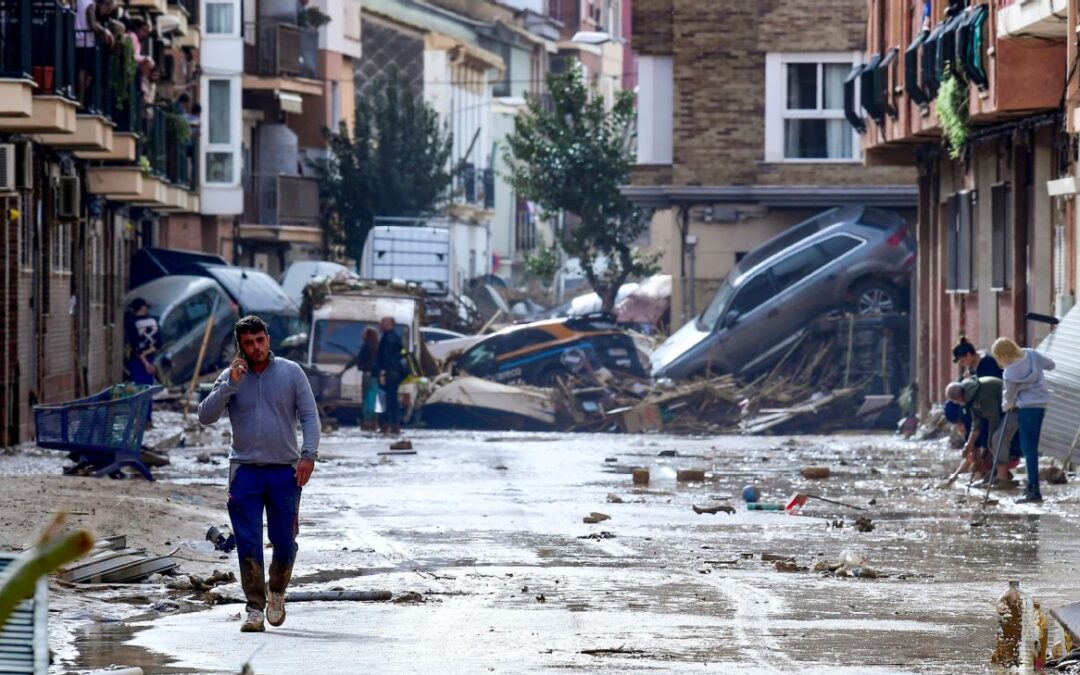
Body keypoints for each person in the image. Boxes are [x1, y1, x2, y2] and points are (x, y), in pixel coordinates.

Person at [197, 316, 320, 633]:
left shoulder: (291, 373)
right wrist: (229, 385)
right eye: (248, 344)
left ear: (268, 339)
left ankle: (276, 590)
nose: (255, 348)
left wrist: (309, 455)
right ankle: (254, 608)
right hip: (245, 472)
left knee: (283, 539)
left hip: (285, 471)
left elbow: (309, 416)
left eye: (260, 341)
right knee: (248, 542)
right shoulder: (231, 377)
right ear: (240, 346)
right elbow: (205, 416)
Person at [993, 337, 1056, 504]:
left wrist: (1006, 406)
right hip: (1041, 404)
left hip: (1025, 408)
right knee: (1032, 447)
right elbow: (1051, 365)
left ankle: (1033, 490)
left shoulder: (1009, 373)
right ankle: (1031, 487)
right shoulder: (1032, 354)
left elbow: (1008, 399)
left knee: (1029, 449)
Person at [945, 377, 1018, 489]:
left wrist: (990, 440)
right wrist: (968, 444)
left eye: (956, 401)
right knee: (993, 441)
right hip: (1002, 411)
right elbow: (976, 423)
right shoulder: (970, 398)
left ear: (959, 396)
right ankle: (999, 475)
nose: (957, 403)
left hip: (1014, 407)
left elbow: (994, 418)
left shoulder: (982, 393)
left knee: (996, 439)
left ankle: (1002, 479)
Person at [124, 297, 159, 425]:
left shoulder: (132, 323)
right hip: (150, 358)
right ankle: (148, 420)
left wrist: (144, 362)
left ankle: (139, 420)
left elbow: (135, 346)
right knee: (148, 391)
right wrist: (149, 361)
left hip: (138, 362)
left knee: (138, 391)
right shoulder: (154, 321)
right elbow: (158, 344)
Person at [344, 327, 380, 431]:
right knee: (372, 397)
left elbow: (358, 358)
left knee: (367, 397)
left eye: (364, 333)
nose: (362, 335)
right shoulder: (376, 346)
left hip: (367, 374)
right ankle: (373, 420)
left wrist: (347, 367)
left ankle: (367, 420)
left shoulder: (366, 346)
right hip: (374, 375)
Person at [375, 316, 405, 435]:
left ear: (390, 324)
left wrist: (382, 371)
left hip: (389, 373)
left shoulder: (388, 339)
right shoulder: (396, 338)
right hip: (395, 373)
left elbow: (385, 357)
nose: (381, 325)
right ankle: (394, 424)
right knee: (392, 400)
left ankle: (387, 424)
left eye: (384, 323)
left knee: (387, 400)